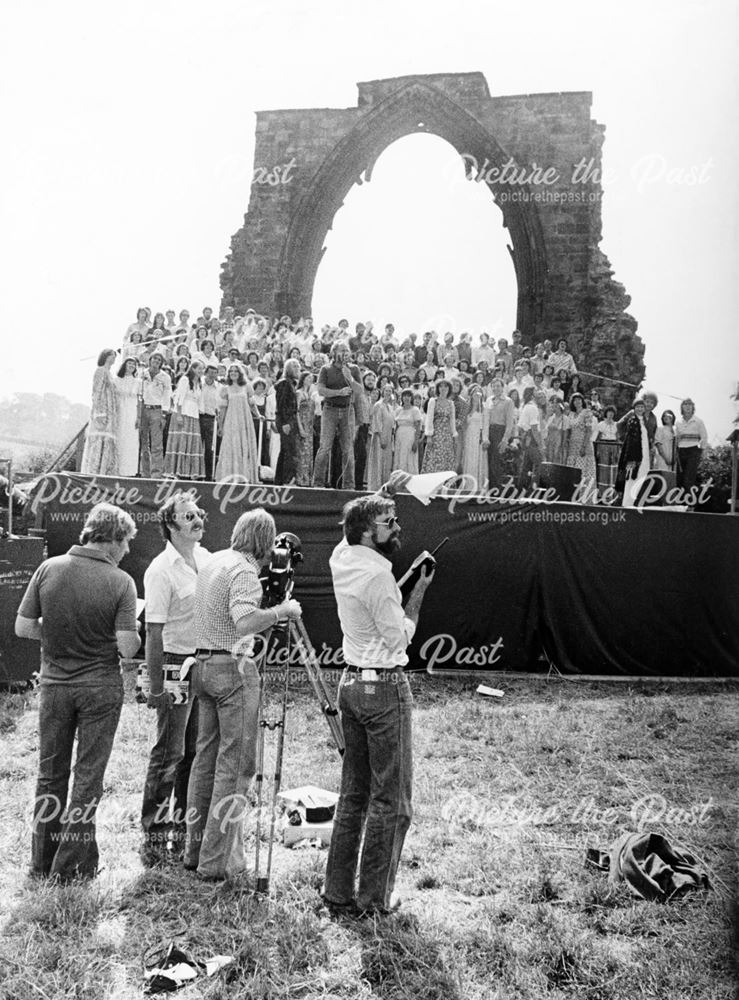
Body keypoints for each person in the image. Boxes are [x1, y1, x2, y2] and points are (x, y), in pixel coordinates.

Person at [322, 474, 434, 917]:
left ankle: (338, 891)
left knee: (354, 795)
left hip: (350, 684)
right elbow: (399, 640)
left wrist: (384, 489)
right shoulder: (379, 576)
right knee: (393, 801)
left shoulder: (341, 558)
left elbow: (349, 531)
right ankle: (374, 898)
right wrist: (419, 590)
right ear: (370, 533)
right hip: (385, 688)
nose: (397, 527)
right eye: (390, 521)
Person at [15, 503, 139, 881]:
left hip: (54, 684)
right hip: (99, 686)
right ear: (113, 540)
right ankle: (70, 868)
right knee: (88, 779)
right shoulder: (122, 582)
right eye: (127, 542)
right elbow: (127, 647)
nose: (128, 550)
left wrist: (54, 634)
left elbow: (23, 627)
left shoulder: (48, 568)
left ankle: (41, 863)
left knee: (49, 775)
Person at [184, 509, 302, 881]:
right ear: (266, 543)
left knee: (206, 761)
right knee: (235, 767)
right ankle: (218, 861)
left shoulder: (215, 560)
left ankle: (196, 850)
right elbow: (246, 621)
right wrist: (283, 610)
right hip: (231, 671)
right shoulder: (245, 571)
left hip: (203, 664)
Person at [141, 492, 211, 865]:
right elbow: (153, 633)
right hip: (173, 663)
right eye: (188, 516)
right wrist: (155, 687)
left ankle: (182, 829)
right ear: (171, 526)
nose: (198, 520)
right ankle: (153, 833)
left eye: (198, 513)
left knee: (195, 751)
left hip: (203, 663)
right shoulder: (159, 570)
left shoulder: (206, 558)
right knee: (170, 752)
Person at [313, 341, 362, 489]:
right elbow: (321, 390)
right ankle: (318, 483)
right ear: (334, 353)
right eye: (341, 350)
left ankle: (349, 485)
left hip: (348, 410)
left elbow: (360, 391)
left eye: (346, 350)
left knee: (348, 449)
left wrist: (351, 379)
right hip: (330, 409)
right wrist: (338, 393)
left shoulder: (354, 369)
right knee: (325, 447)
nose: (344, 353)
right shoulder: (326, 369)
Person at [215, 363, 259, 483]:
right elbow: (222, 409)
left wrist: (258, 415)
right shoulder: (225, 389)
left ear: (240, 373)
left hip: (244, 421)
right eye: (231, 371)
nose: (233, 373)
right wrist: (220, 425)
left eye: (236, 371)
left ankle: (245, 475)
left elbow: (252, 404)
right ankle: (229, 475)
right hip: (231, 421)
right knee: (231, 445)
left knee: (244, 445)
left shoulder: (247, 387)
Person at [81, 350, 119, 476]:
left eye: (114, 356)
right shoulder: (100, 370)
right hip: (102, 409)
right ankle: (93, 469)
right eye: (111, 355)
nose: (113, 358)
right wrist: (99, 412)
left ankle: (104, 470)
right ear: (105, 357)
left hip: (111, 409)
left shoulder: (110, 373)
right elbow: (96, 391)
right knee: (99, 439)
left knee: (107, 439)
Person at [164, 364, 205, 480]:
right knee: (180, 441)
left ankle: (190, 471)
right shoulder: (185, 379)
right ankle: (175, 471)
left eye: (202, 369)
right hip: (183, 413)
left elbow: (199, 400)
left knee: (192, 442)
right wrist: (179, 415)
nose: (201, 371)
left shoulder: (199, 383)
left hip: (194, 414)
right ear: (192, 369)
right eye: (198, 368)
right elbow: (178, 398)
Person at [138, 352, 172, 479]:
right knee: (143, 442)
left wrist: (164, 414)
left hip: (157, 410)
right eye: (154, 358)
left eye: (159, 359)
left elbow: (167, 395)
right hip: (143, 408)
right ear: (150, 359)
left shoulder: (165, 377)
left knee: (157, 444)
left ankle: (156, 473)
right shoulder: (142, 373)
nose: (156, 361)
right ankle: (145, 472)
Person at [616, 397, 651, 506]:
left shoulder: (643, 421)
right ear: (634, 408)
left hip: (644, 454)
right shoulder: (633, 421)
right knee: (631, 479)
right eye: (638, 407)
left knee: (641, 477)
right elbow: (630, 441)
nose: (640, 409)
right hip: (634, 456)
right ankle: (627, 504)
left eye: (642, 407)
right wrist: (631, 458)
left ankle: (633, 502)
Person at [482, 377, 515, 489]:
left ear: (502, 388)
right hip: (489, 431)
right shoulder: (489, 400)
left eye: (498, 386)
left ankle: (497, 489)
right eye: (494, 386)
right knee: (488, 461)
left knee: (496, 461)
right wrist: (485, 436)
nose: (496, 388)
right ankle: (489, 488)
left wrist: (505, 440)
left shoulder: (508, 401)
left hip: (500, 432)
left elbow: (510, 423)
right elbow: (486, 419)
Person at [274, 358, 301, 485]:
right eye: (294, 366)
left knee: (285, 450)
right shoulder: (284, 383)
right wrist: (285, 422)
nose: (297, 369)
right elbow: (282, 404)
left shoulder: (290, 383)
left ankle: (280, 480)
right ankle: (287, 479)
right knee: (289, 450)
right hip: (286, 419)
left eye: (298, 367)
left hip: (289, 419)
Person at [422, 379, 457, 473]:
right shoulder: (433, 401)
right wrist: (429, 435)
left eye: (446, 386)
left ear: (449, 388)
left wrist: (453, 435)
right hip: (436, 434)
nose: (443, 388)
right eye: (441, 386)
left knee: (446, 457)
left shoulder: (451, 403)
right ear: (437, 388)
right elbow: (429, 418)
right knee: (434, 457)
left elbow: (452, 420)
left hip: (447, 435)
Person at [114, 357, 141, 477]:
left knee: (130, 440)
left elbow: (140, 401)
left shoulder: (138, 382)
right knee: (119, 437)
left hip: (132, 411)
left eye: (133, 364)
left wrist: (139, 417)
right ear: (124, 365)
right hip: (119, 409)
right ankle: (116, 468)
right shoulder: (116, 380)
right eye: (129, 363)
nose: (131, 366)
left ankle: (129, 471)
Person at [675, 398, 708, 495]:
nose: (688, 406)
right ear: (682, 407)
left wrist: (700, 451)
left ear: (693, 407)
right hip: (681, 452)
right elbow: (677, 439)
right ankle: (680, 505)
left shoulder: (698, 421)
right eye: (685, 404)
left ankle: (690, 505)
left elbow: (704, 437)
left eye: (690, 404)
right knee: (680, 479)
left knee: (689, 479)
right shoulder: (678, 422)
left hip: (693, 451)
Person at [366, 384, 396, 491]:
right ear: (382, 392)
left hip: (388, 436)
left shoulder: (391, 407)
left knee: (386, 462)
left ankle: (385, 485)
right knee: (378, 461)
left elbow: (392, 423)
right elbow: (377, 422)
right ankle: (375, 486)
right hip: (379, 437)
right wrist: (381, 437)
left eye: (390, 391)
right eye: (386, 390)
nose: (388, 392)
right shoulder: (378, 405)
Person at [393, 389, 423, 475]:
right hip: (399, 436)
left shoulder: (415, 410)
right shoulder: (398, 410)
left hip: (410, 436)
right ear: (401, 398)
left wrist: (416, 442)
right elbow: (396, 426)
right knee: (399, 457)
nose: (406, 398)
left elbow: (418, 427)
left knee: (409, 458)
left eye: (408, 396)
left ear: (411, 398)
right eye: (404, 396)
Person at [295, 370, 316, 486]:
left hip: (309, 425)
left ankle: (308, 479)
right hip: (302, 425)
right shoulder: (299, 393)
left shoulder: (310, 393)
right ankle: (300, 479)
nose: (310, 380)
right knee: (301, 453)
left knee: (308, 453)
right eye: (308, 378)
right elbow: (296, 411)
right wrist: (300, 428)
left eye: (311, 379)